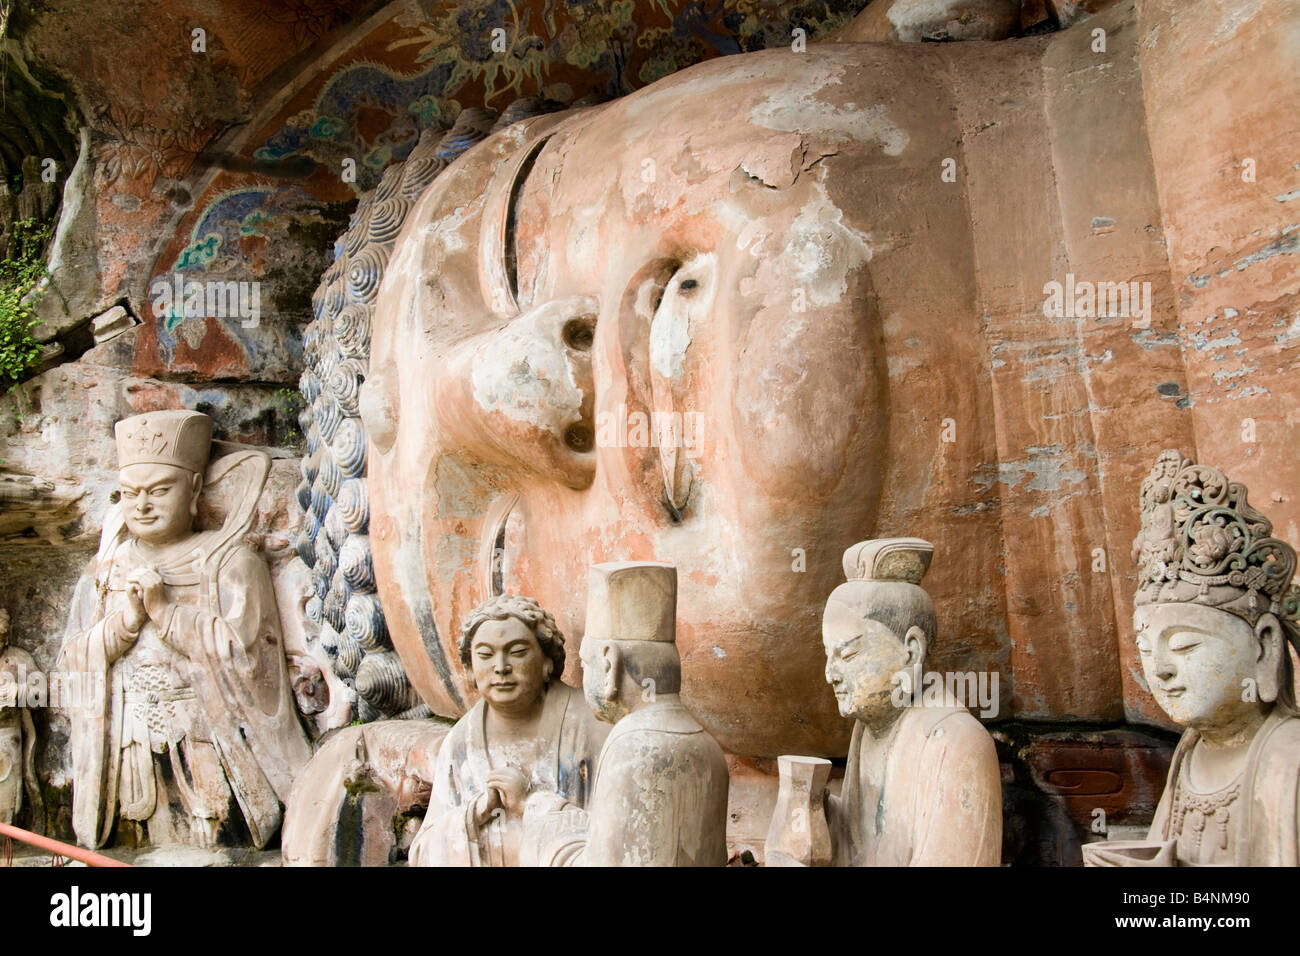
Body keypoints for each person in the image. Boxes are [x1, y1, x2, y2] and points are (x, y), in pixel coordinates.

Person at [59, 410, 311, 849]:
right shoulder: (102, 573)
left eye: (159, 491)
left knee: (216, 841)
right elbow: (69, 664)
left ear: (194, 489)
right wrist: (125, 624)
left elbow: (250, 656)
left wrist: (167, 614)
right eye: (131, 494)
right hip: (129, 741)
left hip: (206, 737)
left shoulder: (231, 564)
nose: (142, 506)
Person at [1085, 450, 1300, 867]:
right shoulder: (1191, 750)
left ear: (1266, 645)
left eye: (1185, 645)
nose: (1161, 668)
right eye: (1146, 650)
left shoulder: (1288, 758)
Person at [522, 562, 730, 867]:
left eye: (585, 665)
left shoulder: (632, 747)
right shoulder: (709, 748)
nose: (582, 676)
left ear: (609, 667)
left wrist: (540, 819)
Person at [816, 538, 1002, 866]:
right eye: (828, 654)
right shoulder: (868, 727)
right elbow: (862, 845)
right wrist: (817, 813)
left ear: (911, 652)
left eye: (848, 654)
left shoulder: (958, 745)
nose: (831, 673)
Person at [408, 593, 607, 866]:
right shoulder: (462, 741)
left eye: (517, 652)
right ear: (469, 669)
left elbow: (619, 838)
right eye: (486, 655)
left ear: (547, 662)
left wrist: (532, 804)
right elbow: (423, 851)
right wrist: (472, 815)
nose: (501, 668)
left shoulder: (590, 727)